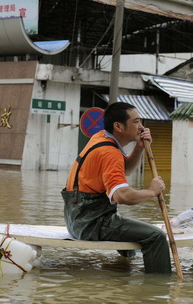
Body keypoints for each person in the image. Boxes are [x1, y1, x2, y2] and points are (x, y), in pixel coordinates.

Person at [61, 102, 172, 274]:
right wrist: (151, 191)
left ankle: (124, 270)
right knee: (156, 236)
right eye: (136, 122)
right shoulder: (109, 152)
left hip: (76, 220)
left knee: (130, 228)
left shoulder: (100, 138)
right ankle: (158, 287)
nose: (141, 127)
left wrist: (139, 148)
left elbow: (124, 168)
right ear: (118, 126)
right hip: (92, 224)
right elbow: (122, 196)